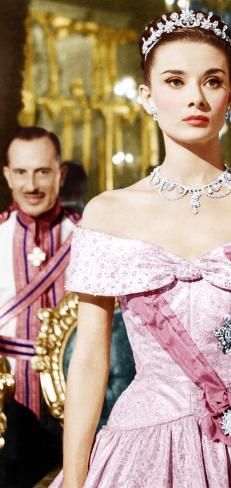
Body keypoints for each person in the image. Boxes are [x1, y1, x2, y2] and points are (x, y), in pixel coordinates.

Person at [52, 7, 231, 488]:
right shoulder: (108, 214)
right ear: (147, 96)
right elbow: (89, 360)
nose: (195, 98)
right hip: (139, 449)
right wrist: (76, 478)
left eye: (211, 80)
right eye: (175, 81)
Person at [0, 126, 80, 486]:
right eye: (21, 172)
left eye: (42, 172)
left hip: (75, 400)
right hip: (6, 405)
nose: (31, 185)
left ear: (60, 175)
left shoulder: (87, 238)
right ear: (7, 175)